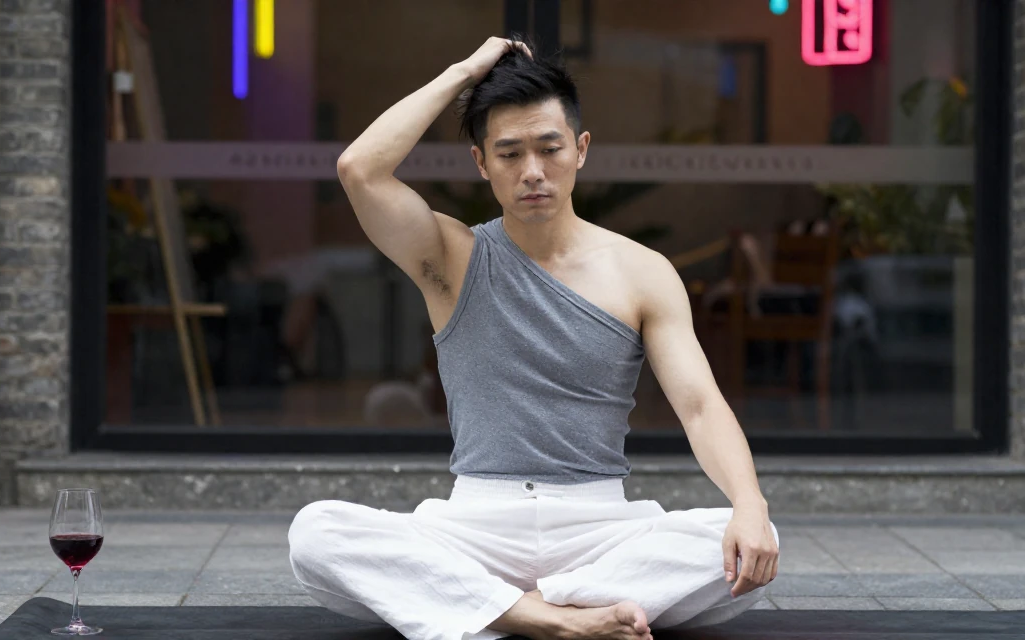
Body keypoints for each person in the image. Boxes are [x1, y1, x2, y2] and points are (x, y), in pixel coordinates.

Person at [288, 38, 780, 640]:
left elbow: (701, 407)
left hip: (599, 527)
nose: (533, 172)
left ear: (581, 149)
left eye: (549, 149)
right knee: (315, 534)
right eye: (510, 153)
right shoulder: (451, 256)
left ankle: (503, 608)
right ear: (480, 163)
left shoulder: (642, 271)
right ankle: (546, 617)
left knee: (751, 539)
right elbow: (358, 169)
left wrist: (750, 506)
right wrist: (464, 73)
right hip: (475, 524)